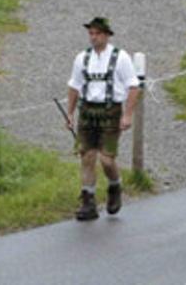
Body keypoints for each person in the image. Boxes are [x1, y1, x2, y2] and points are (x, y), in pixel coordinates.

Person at [65, 17, 140, 222]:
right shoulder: (81, 58)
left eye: (97, 33)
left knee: (107, 159)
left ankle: (115, 186)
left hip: (110, 113)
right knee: (87, 156)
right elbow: (74, 86)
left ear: (107, 35)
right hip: (87, 112)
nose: (93, 37)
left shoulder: (120, 57)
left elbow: (133, 87)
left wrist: (127, 114)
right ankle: (88, 202)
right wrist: (70, 113)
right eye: (91, 33)